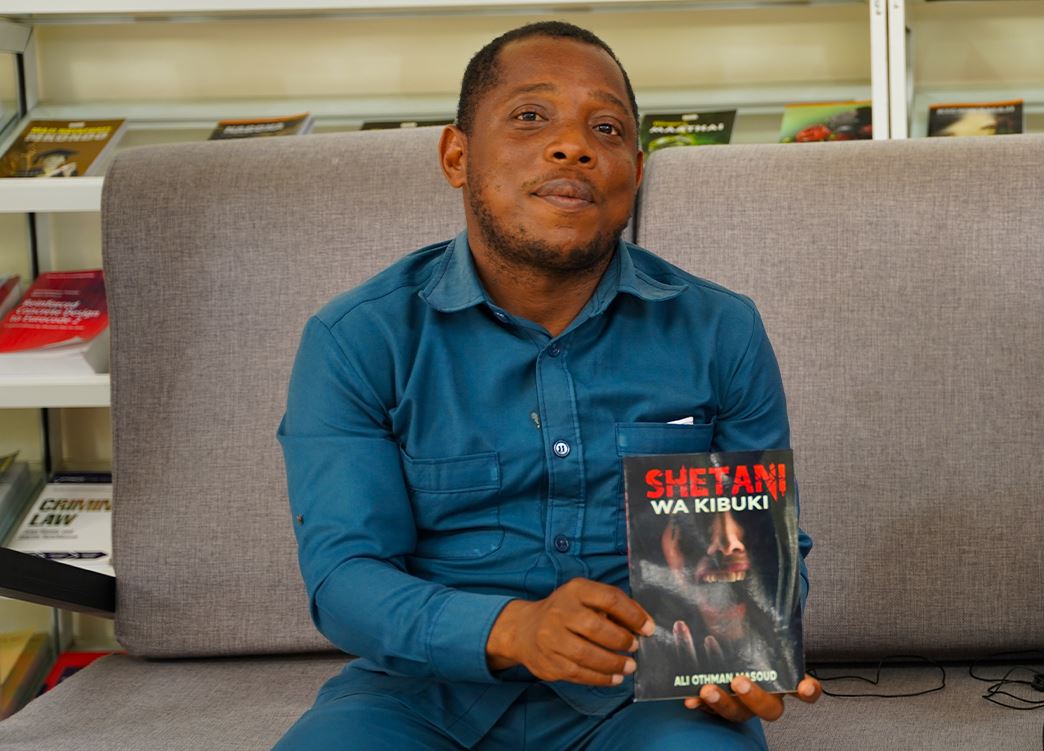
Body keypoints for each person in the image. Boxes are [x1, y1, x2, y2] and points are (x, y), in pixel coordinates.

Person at [276, 20, 819, 751]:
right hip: (418, 697)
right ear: (457, 156)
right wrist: (513, 629)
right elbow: (345, 577)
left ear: (637, 171)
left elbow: (760, 554)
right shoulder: (357, 338)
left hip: (650, 696)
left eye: (607, 128)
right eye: (531, 116)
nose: (573, 146)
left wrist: (748, 649)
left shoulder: (722, 330)